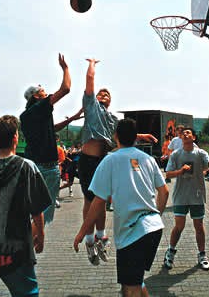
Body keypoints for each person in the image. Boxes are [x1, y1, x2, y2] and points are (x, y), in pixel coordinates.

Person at [74, 118, 169, 297]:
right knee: (134, 282)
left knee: (130, 288)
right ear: (136, 138)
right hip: (154, 228)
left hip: (132, 232)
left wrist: (83, 232)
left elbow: (97, 202)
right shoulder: (148, 159)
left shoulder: (110, 161)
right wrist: (155, 216)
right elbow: (164, 192)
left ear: (115, 136)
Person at [78, 58, 158, 265]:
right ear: (95, 98)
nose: (104, 95)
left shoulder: (113, 119)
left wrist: (144, 136)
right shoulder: (91, 106)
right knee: (90, 200)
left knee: (102, 201)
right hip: (88, 160)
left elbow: (126, 133)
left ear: (111, 101)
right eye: (101, 94)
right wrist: (92, 64)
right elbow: (89, 79)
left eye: (107, 94)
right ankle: (89, 240)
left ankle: (101, 236)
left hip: (103, 159)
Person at [0, 115, 51, 297]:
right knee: (27, 293)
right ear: (15, 137)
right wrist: (41, 236)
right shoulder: (27, 167)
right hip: (15, 249)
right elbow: (37, 209)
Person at [20, 53, 83, 225]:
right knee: (45, 214)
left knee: (32, 210)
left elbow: (52, 128)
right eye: (42, 90)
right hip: (46, 168)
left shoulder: (27, 115)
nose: (45, 91)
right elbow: (66, 89)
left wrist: (71, 119)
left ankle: (27, 240)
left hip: (32, 165)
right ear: (36, 96)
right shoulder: (40, 108)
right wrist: (66, 69)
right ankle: (33, 242)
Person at [164, 126, 209, 271]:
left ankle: (202, 255)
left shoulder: (200, 153)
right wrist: (180, 171)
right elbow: (168, 174)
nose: (185, 135)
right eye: (183, 133)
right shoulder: (176, 154)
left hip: (197, 195)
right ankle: (170, 251)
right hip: (180, 195)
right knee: (179, 226)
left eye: (189, 133)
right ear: (180, 138)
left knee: (199, 226)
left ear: (193, 137)